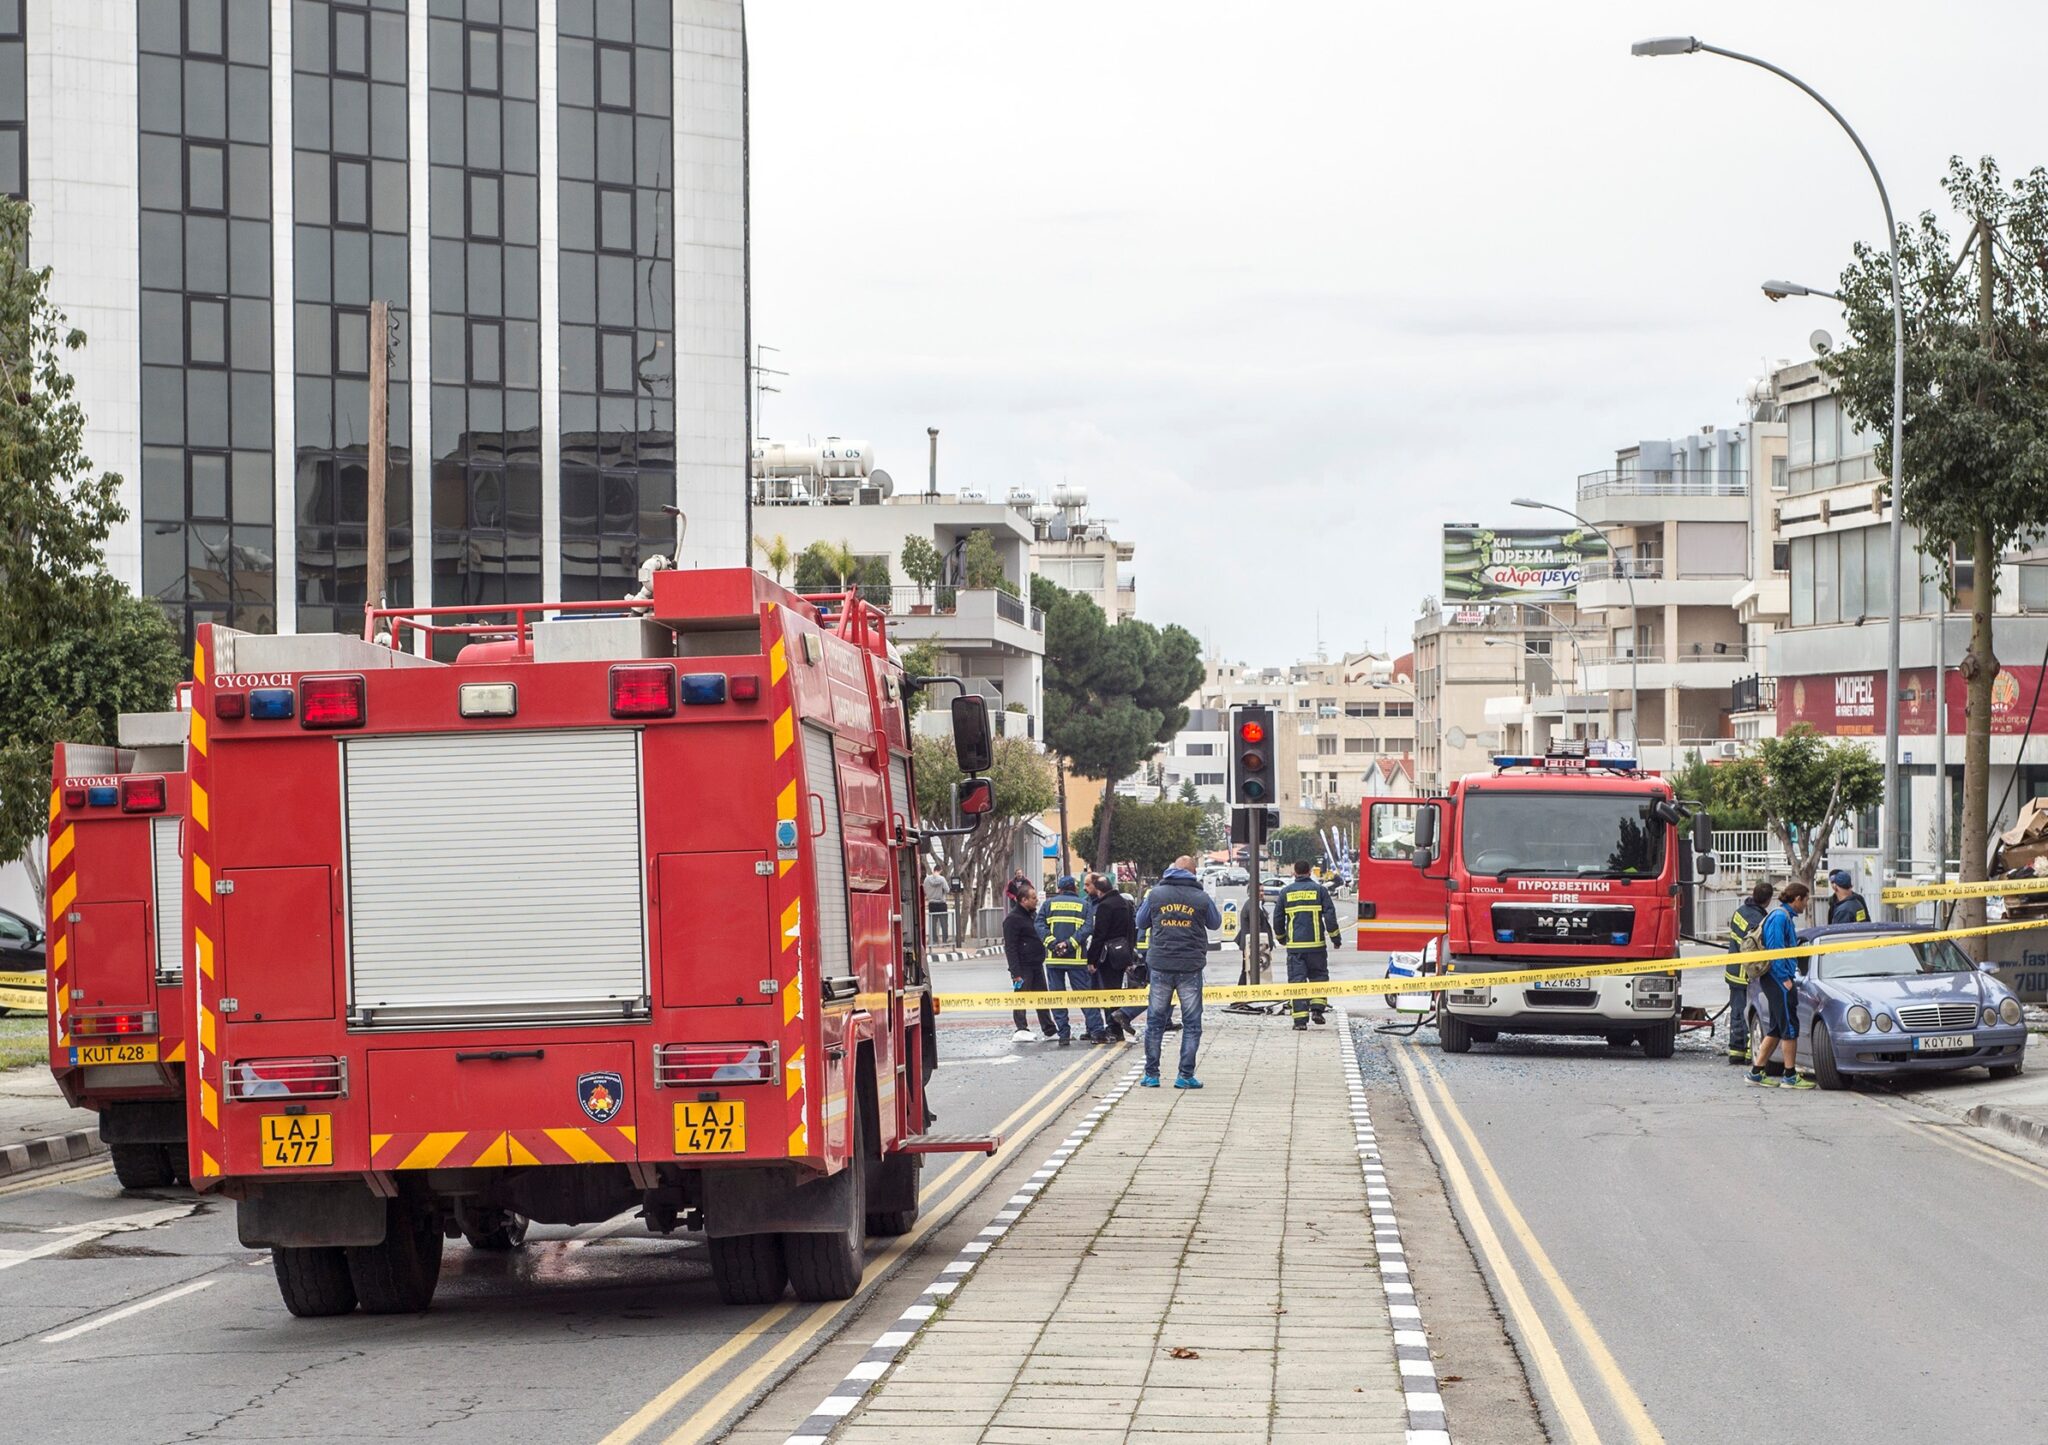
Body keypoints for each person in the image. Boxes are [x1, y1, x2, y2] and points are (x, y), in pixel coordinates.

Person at [1136, 855, 1221, 1089]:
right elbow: (1215, 923)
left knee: (1155, 1022)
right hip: (1190, 966)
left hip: (1161, 964)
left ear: (1172, 870)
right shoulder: (1201, 897)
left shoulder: (1155, 894)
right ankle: (1185, 1075)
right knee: (1192, 1023)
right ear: (1193, 873)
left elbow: (1141, 922)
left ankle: (1151, 1075)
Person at [1746, 881, 1816, 1089]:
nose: (1806, 905)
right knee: (1790, 1027)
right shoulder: (1779, 918)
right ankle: (1790, 1076)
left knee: (1776, 1028)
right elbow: (1776, 951)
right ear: (1797, 899)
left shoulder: (1783, 917)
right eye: (1805, 900)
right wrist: (1785, 979)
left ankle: (1756, 1073)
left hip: (1777, 978)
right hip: (1778, 979)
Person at [1274, 860, 1341, 1030]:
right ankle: (1317, 1010)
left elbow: (1278, 918)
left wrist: (1282, 938)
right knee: (1319, 977)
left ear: (1294, 872)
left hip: (1296, 947)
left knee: (1297, 982)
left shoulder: (1285, 892)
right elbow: (1330, 916)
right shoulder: (1320, 890)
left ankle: (1300, 1022)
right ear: (1310, 871)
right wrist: (1335, 938)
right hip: (1316, 946)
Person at [1036, 874, 1101, 1044]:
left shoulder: (1048, 904)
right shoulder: (1085, 905)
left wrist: (1054, 944)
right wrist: (1069, 944)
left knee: (1057, 998)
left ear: (1059, 889)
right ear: (1074, 889)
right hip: (1076, 959)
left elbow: (1039, 925)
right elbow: (1088, 929)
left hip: (1054, 959)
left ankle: (1064, 1034)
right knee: (1085, 997)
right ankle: (1096, 1031)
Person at [1085, 873, 1141, 1043]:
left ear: (1099, 890)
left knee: (1107, 992)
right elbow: (1132, 931)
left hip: (1106, 955)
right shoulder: (1125, 903)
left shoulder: (1105, 906)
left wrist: (1091, 960)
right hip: (1122, 953)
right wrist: (1129, 956)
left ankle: (1113, 1028)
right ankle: (1115, 1028)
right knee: (1116, 990)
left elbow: (1099, 935)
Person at [1723, 880, 1774, 1064]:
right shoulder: (1757, 920)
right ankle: (1745, 1054)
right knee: (1751, 1014)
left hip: (1734, 971)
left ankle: (1736, 1051)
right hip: (1747, 975)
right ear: (1768, 900)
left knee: (1737, 1012)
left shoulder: (1740, 912)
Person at [1003, 879, 1058, 1044]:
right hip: (1022, 966)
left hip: (1036, 964)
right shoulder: (1012, 919)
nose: (1036, 900)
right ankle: (1021, 1028)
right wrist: (1016, 973)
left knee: (1042, 997)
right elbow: (1010, 947)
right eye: (1033, 897)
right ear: (1023, 900)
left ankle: (1049, 1029)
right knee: (1021, 997)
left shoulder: (1033, 915)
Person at [923, 863, 952, 945]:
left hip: (932, 904)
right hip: (941, 904)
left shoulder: (926, 880)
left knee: (933, 923)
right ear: (940, 870)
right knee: (944, 923)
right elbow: (947, 890)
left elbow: (925, 891)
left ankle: (934, 940)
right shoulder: (942, 879)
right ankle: (945, 940)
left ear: (933, 870)